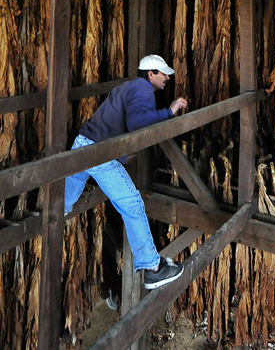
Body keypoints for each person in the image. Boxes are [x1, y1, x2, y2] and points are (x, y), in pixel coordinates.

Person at [64, 54, 188, 290]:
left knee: (62, 204)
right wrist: (170, 112)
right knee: (132, 204)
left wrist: (122, 155)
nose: (167, 78)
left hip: (81, 145)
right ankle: (152, 268)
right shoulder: (142, 89)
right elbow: (137, 122)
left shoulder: (126, 88)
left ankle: (53, 212)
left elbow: (115, 122)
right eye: (163, 74)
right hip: (99, 153)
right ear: (150, 74)